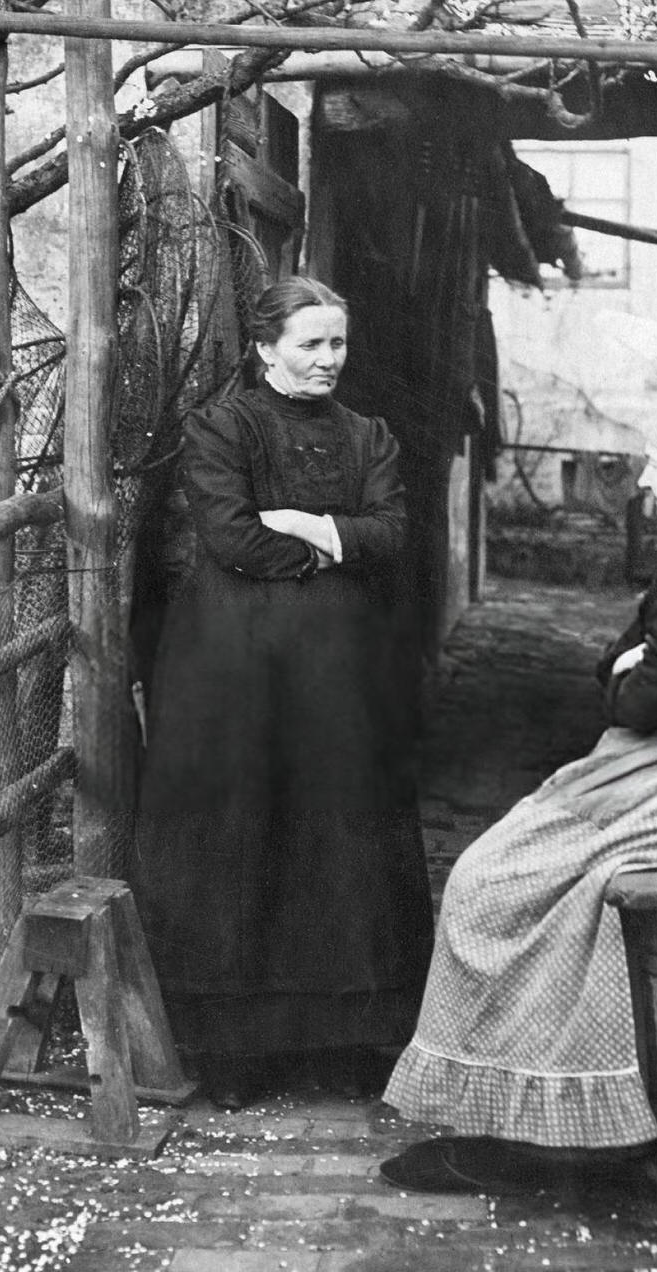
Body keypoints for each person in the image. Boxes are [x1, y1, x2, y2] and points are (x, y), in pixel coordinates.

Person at [379, 384, 657, 1194]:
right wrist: (631, 669)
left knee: (491, 883)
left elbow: (638, 693)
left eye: (653, 463)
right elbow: (628, 660)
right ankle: (543, 1116)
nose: (644, 480)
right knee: (526, 879)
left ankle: (533, 1132)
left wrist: (632, 674)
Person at [132, 276, 433, 1105]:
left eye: (338, 343)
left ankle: (343, 1039)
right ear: (266, 349)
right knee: (241, 838)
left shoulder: (369, 435)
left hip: (340, 679)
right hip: (234, 675)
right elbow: (229, 538)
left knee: (338, 840)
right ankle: (234, 1050)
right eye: (311, 343)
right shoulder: (219, 427)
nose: (329, 359)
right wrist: (337, 544)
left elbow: (395, 535)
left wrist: (305, 525)